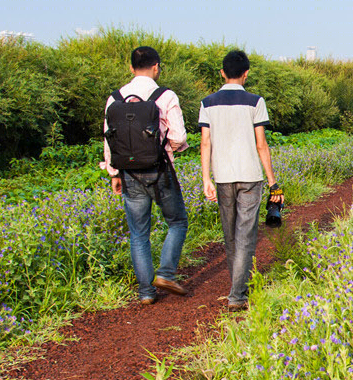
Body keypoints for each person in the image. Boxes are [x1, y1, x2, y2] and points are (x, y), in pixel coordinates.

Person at [102, 46, 190, 305]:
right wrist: (166, 150)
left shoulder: (114, 98)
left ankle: (145, 293)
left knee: (139, 233)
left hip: (128, 173)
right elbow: (178, 137)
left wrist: (114, 173)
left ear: (131, 68)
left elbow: (109, 139)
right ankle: (165, 273)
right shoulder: (165, 95)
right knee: (177, 222)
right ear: (156, 67)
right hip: (159, 170)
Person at [199, 49, 278, 312]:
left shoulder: (207, 103)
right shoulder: (256, 101)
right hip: (250, 176)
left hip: (222, 176)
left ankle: (237, 288)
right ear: (246, 73)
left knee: (230, 233)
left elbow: (205, 143)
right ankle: (237, 294)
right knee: (246, 233)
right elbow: (261, 144)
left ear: (222, 72)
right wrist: (272, 181)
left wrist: (205, 178)